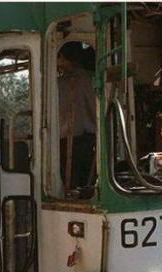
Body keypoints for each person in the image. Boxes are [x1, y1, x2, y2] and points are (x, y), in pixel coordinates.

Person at [58, 41, 96, 194]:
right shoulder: (90, 79)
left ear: (66, 59)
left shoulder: (59, 84)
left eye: (59, 57)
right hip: (88, 140)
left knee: (71, 183)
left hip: (70, 141)